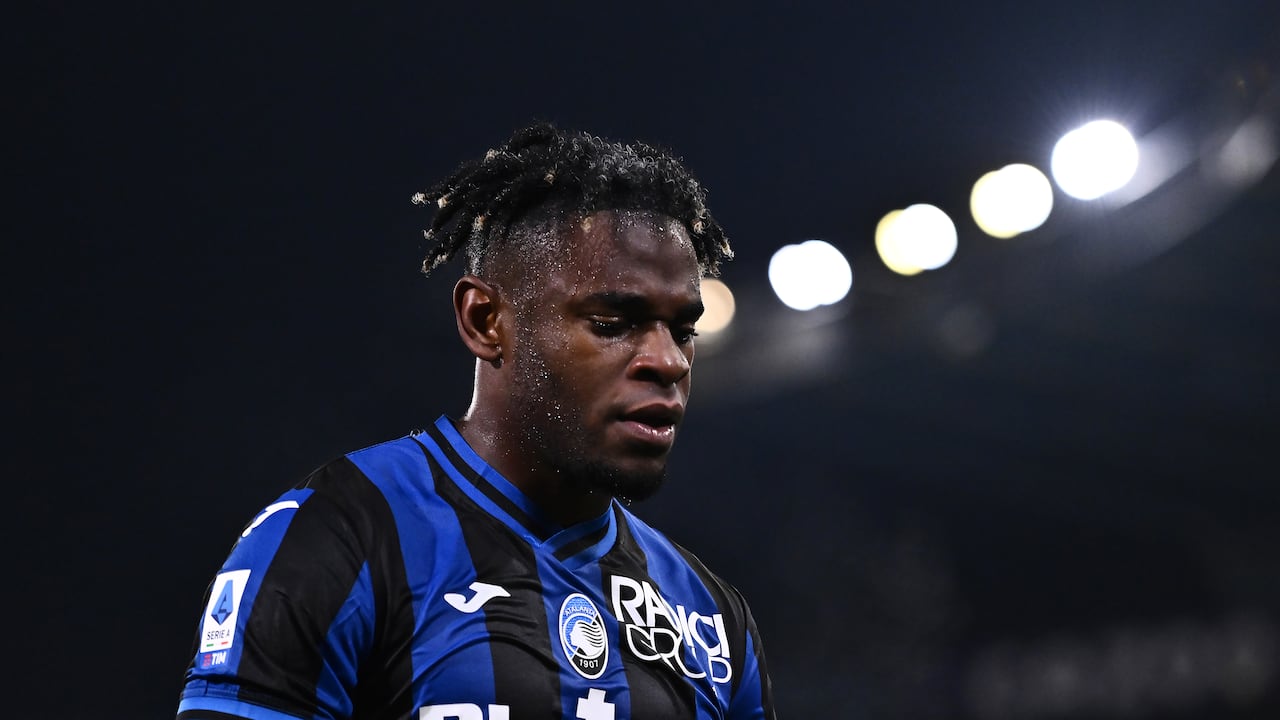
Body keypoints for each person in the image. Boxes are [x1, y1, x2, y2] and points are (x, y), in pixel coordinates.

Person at [175, 122, 777, 720]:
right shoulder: (340, 538)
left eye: (683, 330)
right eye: (612, 323)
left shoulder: (712, 620)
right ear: (486, 320)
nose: (668, 361)